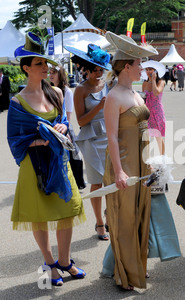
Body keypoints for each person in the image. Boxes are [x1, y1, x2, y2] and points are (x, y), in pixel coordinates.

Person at [7, 31, 86, 286]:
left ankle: (65, 260)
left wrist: (62, 127)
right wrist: (41, 140)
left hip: (58, 161)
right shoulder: (17, 102)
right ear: (26, 68)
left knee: (68, 209)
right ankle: (50, 263)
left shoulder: (57, 93)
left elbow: (63, 121)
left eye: (45, 62)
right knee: (38, 215)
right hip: (34, 165)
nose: (45, 67)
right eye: (39, 63)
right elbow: (15, 140)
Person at [102, 31, 179, 291]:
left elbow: (146, 129)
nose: (142, 68)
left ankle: (136, 266)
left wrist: (153, 160)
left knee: (140, 215)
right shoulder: (113, 97)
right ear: (127, 66)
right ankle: (124, 273)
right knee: (124, 219)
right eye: (138, 64)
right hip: (123, 164)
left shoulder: (135, 94)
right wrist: (120, 172)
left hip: (142, 164)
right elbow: (111, 138)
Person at [65, 44, 112, 241]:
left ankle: (110, 216)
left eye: (101, 69)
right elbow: (81, 120)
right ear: (85, 69)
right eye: (95, 70)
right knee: (97, 181)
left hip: (109, 135)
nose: (99, 73)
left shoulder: (107, 85)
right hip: (91, 138)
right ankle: (99, 223)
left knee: (111, 178)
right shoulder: (81, 90)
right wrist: (100, 105)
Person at [49, 63, 86, 190]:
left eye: (53, 73)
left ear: (60, 74)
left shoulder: (67, 91)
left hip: (64, 127)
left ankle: (74, 183)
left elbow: (68, 114)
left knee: (74, 155)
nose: (51, 75)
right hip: (51, 126)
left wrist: (66, 132)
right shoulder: (47, 89)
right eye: (50, 73)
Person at [141, 60, 166, 155]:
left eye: (151, 69)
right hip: (147, 111)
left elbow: (156, 93)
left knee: (158, 136)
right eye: (147, 69)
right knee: (146, 136)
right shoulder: (144, 83)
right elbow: (143, 98)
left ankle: (162, 158)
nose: (148, 71)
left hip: (157, 111)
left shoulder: (161, 82)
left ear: (155, 71)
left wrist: (154, 80)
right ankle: (147, 159)